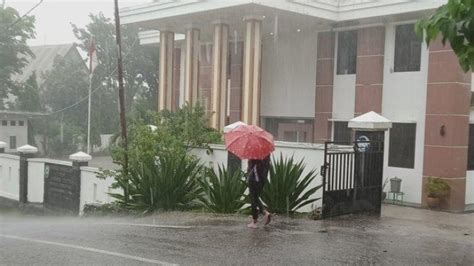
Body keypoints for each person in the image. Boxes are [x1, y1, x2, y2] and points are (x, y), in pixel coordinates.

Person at [247, 155, 271, 229]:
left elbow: (251, 167)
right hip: (262, 180)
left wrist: (249, 161)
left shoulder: (255, 154)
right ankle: (264, 212)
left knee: (253, 199)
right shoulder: (266, 155)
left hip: (254, 179)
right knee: (255, 197)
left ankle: (255, 221)